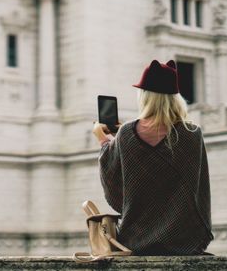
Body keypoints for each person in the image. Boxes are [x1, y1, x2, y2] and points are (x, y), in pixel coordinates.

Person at [92, 59, 215, 256]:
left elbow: (115, 190)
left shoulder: (125, 134)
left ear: (145, 97)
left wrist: (104, 141)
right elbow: (200, 189)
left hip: (136, 239)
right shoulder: (192, 133)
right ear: (176, 98)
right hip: (185, 240)